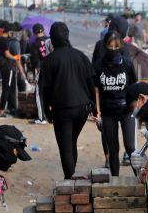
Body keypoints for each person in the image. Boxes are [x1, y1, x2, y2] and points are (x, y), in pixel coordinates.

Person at [39, 22, 95, 179]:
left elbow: (45, 90)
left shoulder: (49, 60)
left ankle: (70, 181)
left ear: (53, 39)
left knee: (66, 148)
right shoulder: (81, 56)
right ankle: (71, 178)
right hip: (83, 107)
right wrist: (94, 107)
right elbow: (90, 82)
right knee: (72, 142)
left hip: (62, 109)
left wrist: (47, 112)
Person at [93, 31, 138, 176]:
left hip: (126, 110)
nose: (113, 50)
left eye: (116, 46)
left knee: (130, 146)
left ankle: (139, 178)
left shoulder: (127, 63)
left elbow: (133, 86)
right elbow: (96, 90)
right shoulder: (98, 65)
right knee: (113, 148)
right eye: (110, 46)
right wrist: (97, 112)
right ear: (105, 46)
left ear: (121, 46)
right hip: (107, 112)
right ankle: (115, 179)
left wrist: (135, 107)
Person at [0, 23, 25, 117]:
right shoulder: (12, 42)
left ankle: (8, 107)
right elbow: (8, 55)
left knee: (7, 88)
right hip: (8, 68)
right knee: (8, 89)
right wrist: (16, 58)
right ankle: (3, 110)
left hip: (1, 66)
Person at [29, 23, 52, 125]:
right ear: (43, 30)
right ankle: (53, 117)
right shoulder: (49, 40)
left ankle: (41, 118)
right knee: (52, 93)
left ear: (34, 33)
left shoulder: (34, 44)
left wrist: (36, 70)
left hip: (41, 71)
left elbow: (36, 60)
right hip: (52, 69)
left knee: (39, 94)